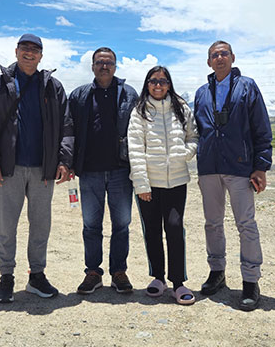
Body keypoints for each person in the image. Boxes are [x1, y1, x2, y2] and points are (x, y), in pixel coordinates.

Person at [0, 34, 73, 303]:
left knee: (41, 225)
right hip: (9, 168)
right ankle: (6, 277)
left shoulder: (52, 87)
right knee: (7, 225)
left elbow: (67, 127)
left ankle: (36, 276)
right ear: (16, 51)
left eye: (35, 50)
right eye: (25, 48)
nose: (29, 53)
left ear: (42, 56)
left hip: (43, 169)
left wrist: (64, 161)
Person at [194, 40, 273, 311]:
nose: (219, 58)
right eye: (214, 55)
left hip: (240, 167)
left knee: (246, 224)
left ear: (232, 57)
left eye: (223, 53)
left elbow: (262, 127)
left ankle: (251, 281)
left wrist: (261, 165)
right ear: (208, 62)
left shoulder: (247, 86)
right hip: (209, 168)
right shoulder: (202, 92)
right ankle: (217, 272)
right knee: (212, 223)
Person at [69, 47, 138, 294]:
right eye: (99, 62)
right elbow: (70, 131)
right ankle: (93, 272)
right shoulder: (78, 95)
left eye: (108, 63)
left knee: (121, 224)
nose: (104, 66)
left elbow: (140, 132)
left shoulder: (130, 94)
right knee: (91, 225)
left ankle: (119, 271)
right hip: (89, 171)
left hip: (121, 170)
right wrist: (68, 162)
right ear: (92, 66)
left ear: (115, 66)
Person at [128, 66, 198, 305]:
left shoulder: (182, 108)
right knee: (153, 231)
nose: (158, 85)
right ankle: (158, 277)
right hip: (149, 184)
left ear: (169, 84)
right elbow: (135, 150)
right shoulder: (139, 112)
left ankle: (178, 282)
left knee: (175, 228)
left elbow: (193, 136)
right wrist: (141, 185)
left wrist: (185, 153)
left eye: (163, 81)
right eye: (153, 81)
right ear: (147, 84)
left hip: (177, 181)